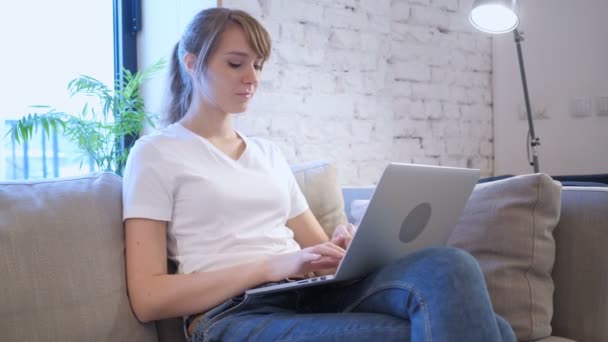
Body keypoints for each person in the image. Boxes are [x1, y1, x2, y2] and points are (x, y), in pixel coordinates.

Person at [122, 7, 516, 342]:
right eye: (236, 63)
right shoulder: (156, 153)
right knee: (485, 329)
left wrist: (344, 245)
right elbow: (148, 297)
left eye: (258, 65)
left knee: (451, 265)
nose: (253, 78)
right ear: (192, 64)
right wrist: (270, 266)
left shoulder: (267, 153)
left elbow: (320, 250)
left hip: (308, 292)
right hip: (232, 314)